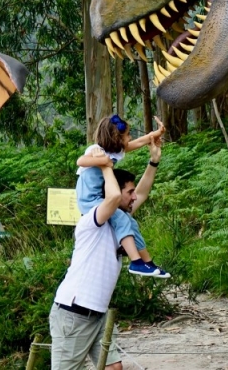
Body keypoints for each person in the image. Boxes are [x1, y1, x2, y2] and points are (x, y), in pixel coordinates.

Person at [50, 139, 162, 370]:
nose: (133, 198)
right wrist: (105, 166)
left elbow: (141, 193)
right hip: (74, 313)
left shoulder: (121, 222)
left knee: (114, 368)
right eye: (128, 192)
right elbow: (112, 198)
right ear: (113, 191)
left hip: (98, 314)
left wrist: (154, 161)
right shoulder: (93, 218)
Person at [77, 114, 169, 277]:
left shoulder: (116, 150)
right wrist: (102, 161)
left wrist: (157, 133)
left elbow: (141, 141)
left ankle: (146, 262)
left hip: (100, 197)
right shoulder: (96, 150)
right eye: (127, 135)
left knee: (130, 222)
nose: (130, 138)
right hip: (90, 200)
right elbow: (81, 161)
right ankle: (135, 262)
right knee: (120, 216)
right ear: (116, 137)